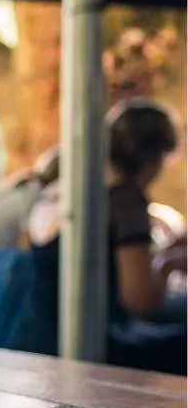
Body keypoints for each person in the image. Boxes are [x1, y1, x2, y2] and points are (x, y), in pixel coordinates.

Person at [29, 98, 185, 374]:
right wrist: (171, 263)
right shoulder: (125, 200)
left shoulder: (62, 190)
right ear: (155, 158)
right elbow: (139, 301)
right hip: (97, 347)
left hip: (47, 338)